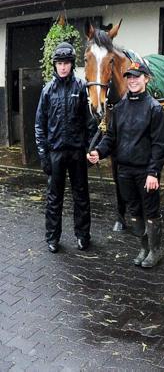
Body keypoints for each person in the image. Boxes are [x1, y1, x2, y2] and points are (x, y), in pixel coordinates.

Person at [88, 61, 164, 268]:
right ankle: (143, 247)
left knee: (150, 210)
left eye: (137, 76)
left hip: (145, 171)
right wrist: (99, 152)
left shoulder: (155, 109)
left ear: (146, 79)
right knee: (134, 210)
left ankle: (155, 250)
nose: (132, 80)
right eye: (129, 77)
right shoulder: (119, 108)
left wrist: (153, 173)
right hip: (124, 170)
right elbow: (111, 137)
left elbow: (160, 145)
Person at [35, 42, 96, 253]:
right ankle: (52, 237)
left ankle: (83, 235)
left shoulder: (81, 87)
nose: (63, 67)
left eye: (66, 63)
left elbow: (90, 123)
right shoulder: (47, 90)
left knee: (81, 196)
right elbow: (40, 125)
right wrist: (44, 156)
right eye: (59, 63)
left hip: (77, 152)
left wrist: (90, 150)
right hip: (56, 152)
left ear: (72, 64)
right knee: (54, 198)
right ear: (55, 65)